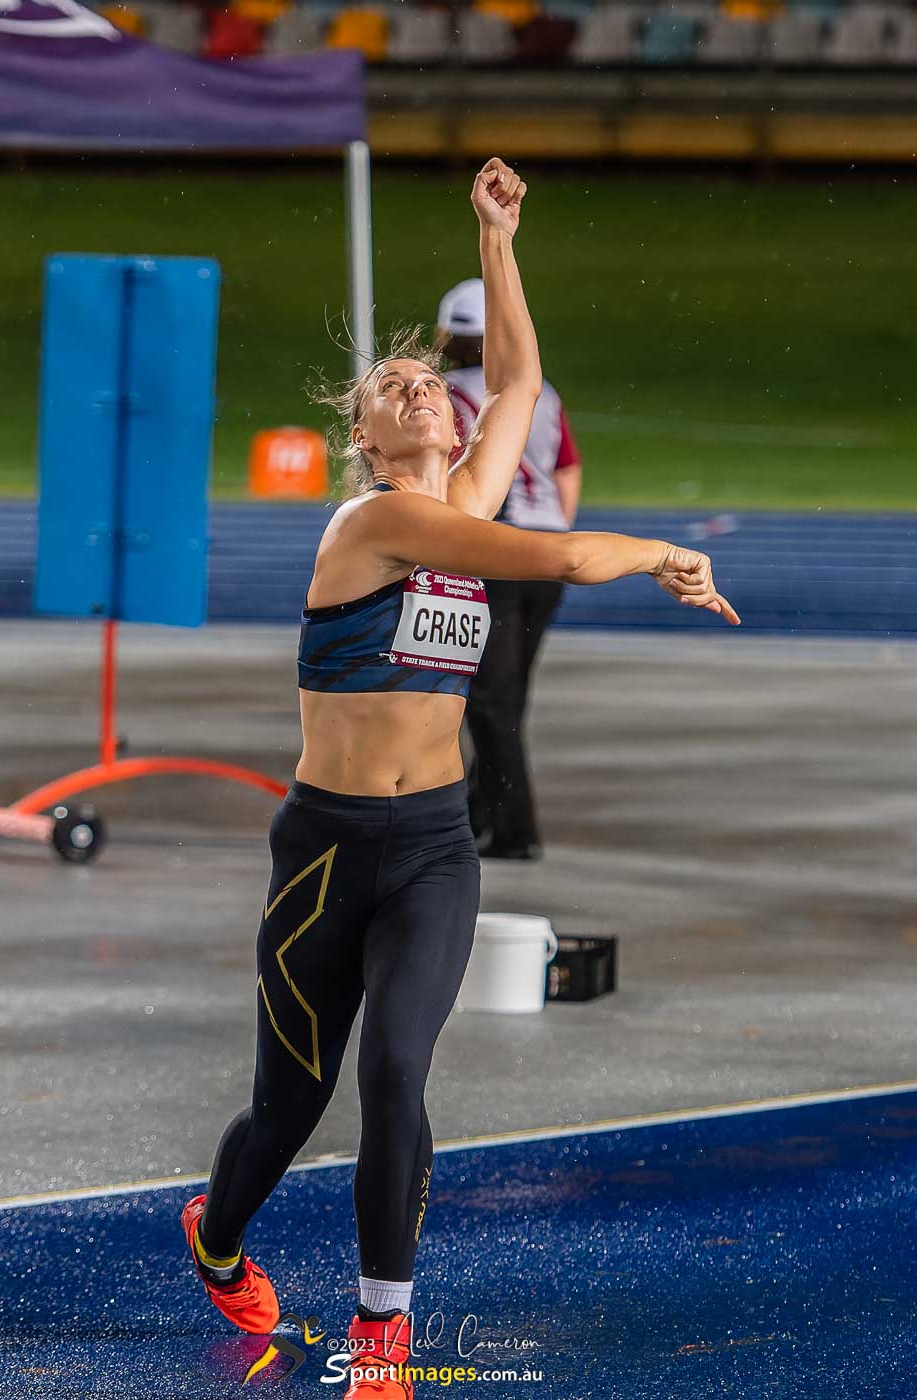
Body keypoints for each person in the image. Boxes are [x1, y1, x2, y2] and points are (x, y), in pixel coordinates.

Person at [180, 157, 739, 1400]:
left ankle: (382, 1336)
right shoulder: (369, 524)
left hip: (433, 844)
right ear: (364, 438)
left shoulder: (468, 484)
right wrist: (655, 550)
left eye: (433, 379)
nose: (425, 390)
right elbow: (549, 552)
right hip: (326, 848)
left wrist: (498, 235)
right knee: (287, 1105)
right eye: (396, 390)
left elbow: (524, 380)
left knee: (396, 1072)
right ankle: (215, 1238)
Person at [436, 277, 582, 858]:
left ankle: (515, 830)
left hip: (492, 551)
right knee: (507, 698)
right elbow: (567, 467)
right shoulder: (539, 391)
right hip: (544, 554)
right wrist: (552, 534)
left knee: (489, 702)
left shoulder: (441, 397)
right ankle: (483, 814)